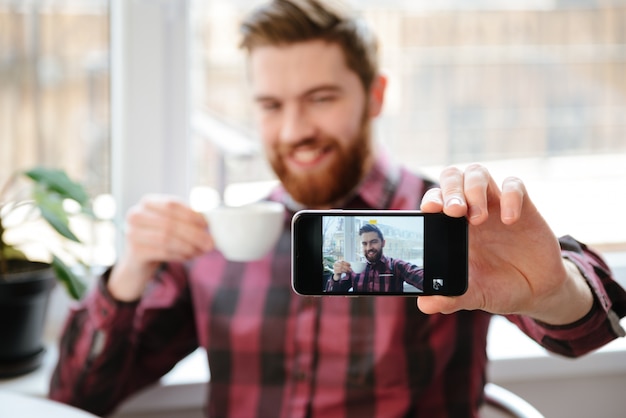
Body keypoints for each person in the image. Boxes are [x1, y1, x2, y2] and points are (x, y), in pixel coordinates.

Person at [49, 1, 626, 417]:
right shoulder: (222, 240)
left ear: (374, 96)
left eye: (320, 99)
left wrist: (554, 289)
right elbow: (80, 396)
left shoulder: (447, 220)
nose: (296, 129)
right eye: (272, 105)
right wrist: (129, 274)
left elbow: (587, 330)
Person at [327, 223, 424, 293]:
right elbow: (332, 295)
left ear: (383, 243)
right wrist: (336, 276)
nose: (369, 248)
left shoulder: (395, 265)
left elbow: (421, 277)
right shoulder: (354, 269)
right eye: (365, 243)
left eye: (374, 242)